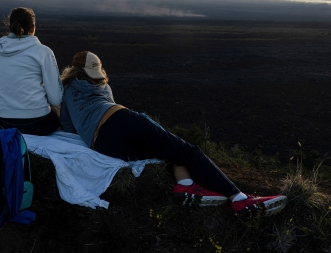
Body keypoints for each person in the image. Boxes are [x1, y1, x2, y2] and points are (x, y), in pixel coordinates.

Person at [59, 51, 287, 218]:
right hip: (123, 119)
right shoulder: (103, 86)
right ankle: (240, 200)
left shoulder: (67, 88)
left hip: (102, 143)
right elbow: (112, 110)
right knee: (186, 151)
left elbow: (69, 127)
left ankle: (185, 183)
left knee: (161, 153)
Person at [0, 7, 63, 136]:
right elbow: (55, 99)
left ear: (10, 27)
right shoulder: (43, 52)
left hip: (4, 122)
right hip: (39, 124)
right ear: (33, 28)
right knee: (57, 110)